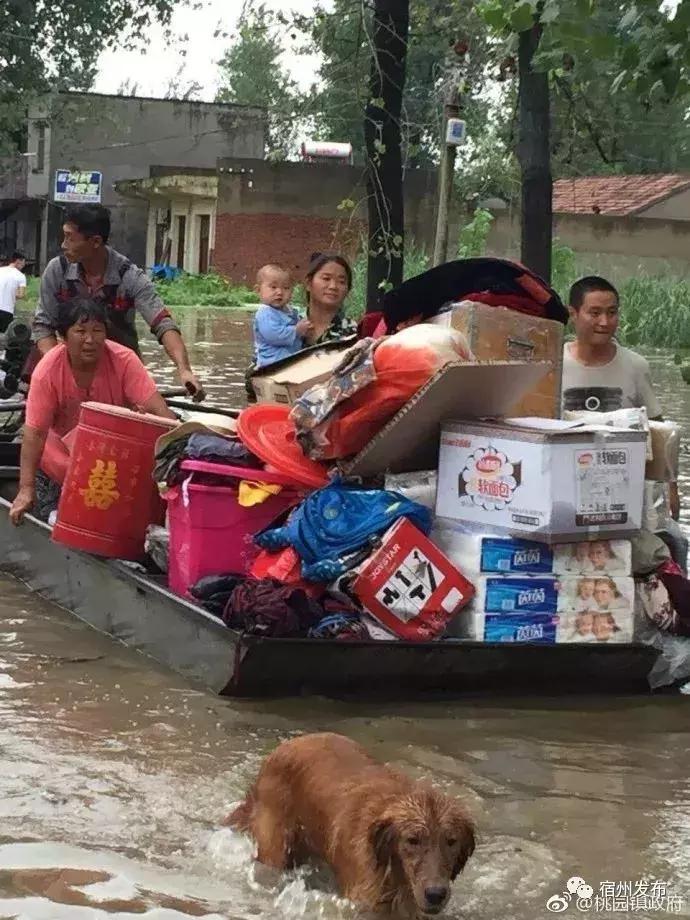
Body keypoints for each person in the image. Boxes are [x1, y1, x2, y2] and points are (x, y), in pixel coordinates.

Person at [10, 298, 177, 525]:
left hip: (110, 460)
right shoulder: (47, 370)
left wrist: (181, 452)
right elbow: (35, 434)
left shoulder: (125, 360)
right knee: (54, 516)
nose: (90, 340)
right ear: (63, 337)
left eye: (97, 331)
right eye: (80, 331)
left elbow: (161, 414)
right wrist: (25, 489)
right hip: (59, 459)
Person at [33, 204, 204, 400]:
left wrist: (184, 370)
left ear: (95, 241)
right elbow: (42, 325)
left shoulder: (130, 276)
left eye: (70, 238)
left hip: (119, 370)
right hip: (70, 363)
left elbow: (162, 323)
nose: (63, 245)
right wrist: (57, 369)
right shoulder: (57, 270)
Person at [562, 274, 683, 533]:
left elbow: (658, 431)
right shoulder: (553, 364)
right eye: (594, 313)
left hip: (623, 489)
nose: (604, 322)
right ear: (573, 313)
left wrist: (671, 488)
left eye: (612, 312)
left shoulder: (635, 366)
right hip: (565, 483)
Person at [253, 264, 313, 368]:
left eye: (286, 288)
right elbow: (274, 335)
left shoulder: (290, 311)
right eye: (273, 287)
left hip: (289, 362)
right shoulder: (265, 313)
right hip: (272, 364)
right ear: (258, 290)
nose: (280, 292)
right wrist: (297, 331)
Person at [304, 252, 357, 344]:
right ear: (308, 283)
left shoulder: (352, 331)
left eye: (341, 281)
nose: (333, 286)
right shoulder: (289, 320)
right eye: (326, 279)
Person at [0, 250, 27, 332]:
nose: (24, 265)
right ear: (18, 261)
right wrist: (12, 293)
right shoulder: (21, 276)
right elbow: (21, 295)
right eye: (23, 262)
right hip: (7, 312)